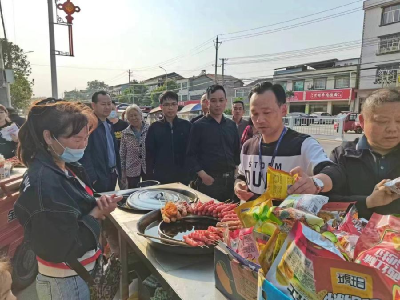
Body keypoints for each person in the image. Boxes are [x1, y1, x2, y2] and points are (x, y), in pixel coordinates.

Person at [14, 99, 122, 300]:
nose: (83, 145)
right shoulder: (44, 183)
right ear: (49, 137)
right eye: (76, 140)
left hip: (81, 271)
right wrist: (97, 213)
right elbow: (60, 246)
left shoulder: (65, 166)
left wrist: (98, 205)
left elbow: (76, 211)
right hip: (66, 282)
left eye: (86, 138)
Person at [234, 82, 340, 202]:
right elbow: (241, 175)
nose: (260, 120)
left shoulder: (303, 144)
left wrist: (315, 183)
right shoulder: (248, 146)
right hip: (254, 218)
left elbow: (333, 172)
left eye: (267, 112)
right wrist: (239, 185)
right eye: (254, 114)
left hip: (290, 218)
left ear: (283, 110)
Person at [327, 89, 400, 218]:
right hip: (350, 235)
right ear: (362, 121)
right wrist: (368, 201)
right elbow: (326, 202)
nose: (393, 129)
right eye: (382, 121)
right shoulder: (342, 155)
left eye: (399, 121)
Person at [187, 85, 240, 202]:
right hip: (209, 183)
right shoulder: (198, 126)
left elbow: (237, 151)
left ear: (226, 102)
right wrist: (203, 176)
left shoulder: (231, 125)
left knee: (231, 216)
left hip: (231, 181)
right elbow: (191, 155)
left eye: (221, 100)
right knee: (209, 218)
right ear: (207, 102)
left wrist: (236, 174)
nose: (218, 104)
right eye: (213, 100)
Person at [146, 91, 191, 184]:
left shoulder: (187, 126)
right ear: (161, 107)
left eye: (173, 104)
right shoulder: (154, 128)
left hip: (183, 177)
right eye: (166, 104)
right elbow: (149, 155)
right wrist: (150, 176)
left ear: (177, 106)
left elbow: (192, 151)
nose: (170, 108)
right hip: (161, 177)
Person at [80, 91, 121, 192]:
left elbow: (114, 151)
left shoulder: (108, 124)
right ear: (93, 105)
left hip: (112, 175)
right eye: (103, 104)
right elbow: (85, 154)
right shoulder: (89, 125)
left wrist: (118, 172)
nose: (107, 107)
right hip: (98, 179)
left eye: (109, 104)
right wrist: (93, 178)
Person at [120, 104, 149, 188]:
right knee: (133, 192)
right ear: (128, 119)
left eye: (135, 115)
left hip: (147, 168)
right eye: (130, 116)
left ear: (141, 115)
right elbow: (122, 153)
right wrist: (123, 171)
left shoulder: (150, 129)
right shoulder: (125, 133)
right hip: (131, 168)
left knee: (148, 191)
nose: (133, 118)